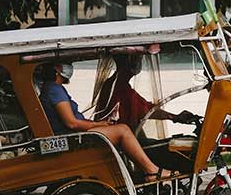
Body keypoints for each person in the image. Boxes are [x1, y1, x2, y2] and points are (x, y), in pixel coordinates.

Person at [39, 63, 171, 182]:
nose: (70, 66)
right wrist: (98, 124)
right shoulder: (54, 89)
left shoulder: (54, 89)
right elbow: (72, 123)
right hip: (73, 137)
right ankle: (151, 171)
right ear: (56, 68)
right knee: (123, 130)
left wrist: (100, 123)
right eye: (66, 63)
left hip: (76, 133)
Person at [94, 54, 196, 132]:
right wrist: (175, 117)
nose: (139, 63)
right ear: (130, 61)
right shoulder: (118, 86)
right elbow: (146, 110)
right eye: (138, 59)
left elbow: (146, 108)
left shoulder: (119, 84)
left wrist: (175, 117)